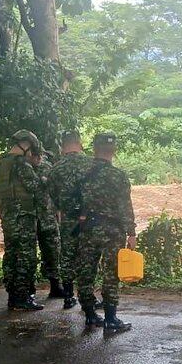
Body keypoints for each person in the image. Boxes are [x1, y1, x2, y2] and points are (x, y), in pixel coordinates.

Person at [74, 133, 136, 332]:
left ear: (94, 149)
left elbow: (69, 201)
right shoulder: (118, 176)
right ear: (113, 150)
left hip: (88, 228)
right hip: (112, 231)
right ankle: (111, 319)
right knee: (111, 274)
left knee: (86, 271)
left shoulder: (81, 174)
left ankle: (90, 316)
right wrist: (131, 233)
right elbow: (126, 207)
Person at [0, 130, 45, 311]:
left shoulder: (0, 164)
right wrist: (41, 174)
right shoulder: (21, 164)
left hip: (8, 216)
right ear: (26, 145)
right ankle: (22, 298)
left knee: (11, 254)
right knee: (26, 256)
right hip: (24, 217)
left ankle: (12, 296)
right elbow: (35, 187)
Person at [48, 130, 93, 310]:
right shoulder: (91, 164)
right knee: (88, 256)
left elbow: (53, 196)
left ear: (62, 145)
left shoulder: (56, 169)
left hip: (68, 219)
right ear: (79, 143)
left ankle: (68, 296)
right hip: (89, 219)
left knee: (67, 256)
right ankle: (88, 298)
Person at [30, 147, 65, 301]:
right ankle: (30, 288)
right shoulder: (24, 165)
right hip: (31, 215)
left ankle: (55, 286)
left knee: (52, 252)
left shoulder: (45, 166)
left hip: (46, 215)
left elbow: (54, 189)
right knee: (30, 253)